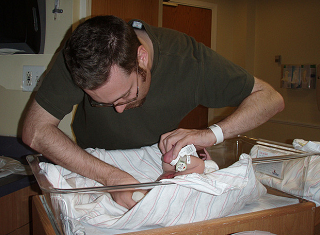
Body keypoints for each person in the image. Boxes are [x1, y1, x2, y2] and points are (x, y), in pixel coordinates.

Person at [22, 15, 284, 209]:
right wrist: (113, 177)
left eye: (127, 94)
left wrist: (212, 134)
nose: (120, 110)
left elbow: (270, 98)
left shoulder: (190, 62)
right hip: (94, 166)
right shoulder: (82, 55)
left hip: (158, 163)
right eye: (103, 102)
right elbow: (35, 131)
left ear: (142, 58)